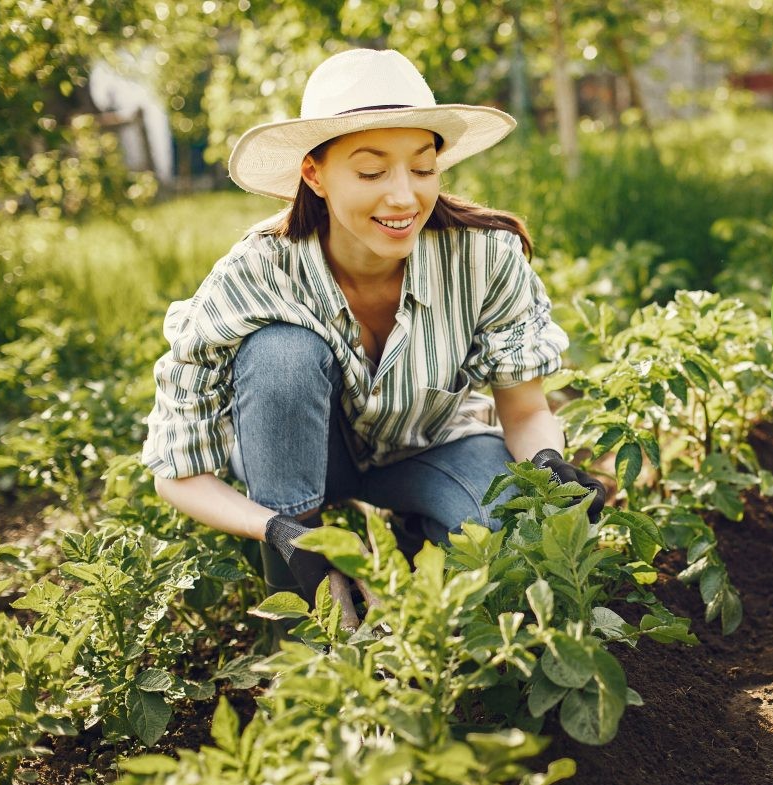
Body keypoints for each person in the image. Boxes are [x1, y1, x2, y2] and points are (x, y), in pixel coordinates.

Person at [141, 48, 605, 606]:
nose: (404, 196)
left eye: (422, 167)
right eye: (371, 171)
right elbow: (177, 471)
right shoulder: (257, 273)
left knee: (511, 542)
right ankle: (302, 607)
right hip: (294, 458)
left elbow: (526, 411)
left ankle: (417, 545)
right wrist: (281, 531)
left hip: (426, 447)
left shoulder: (484, 258)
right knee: (280, 353)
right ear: (314, 174)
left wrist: (547, 465)